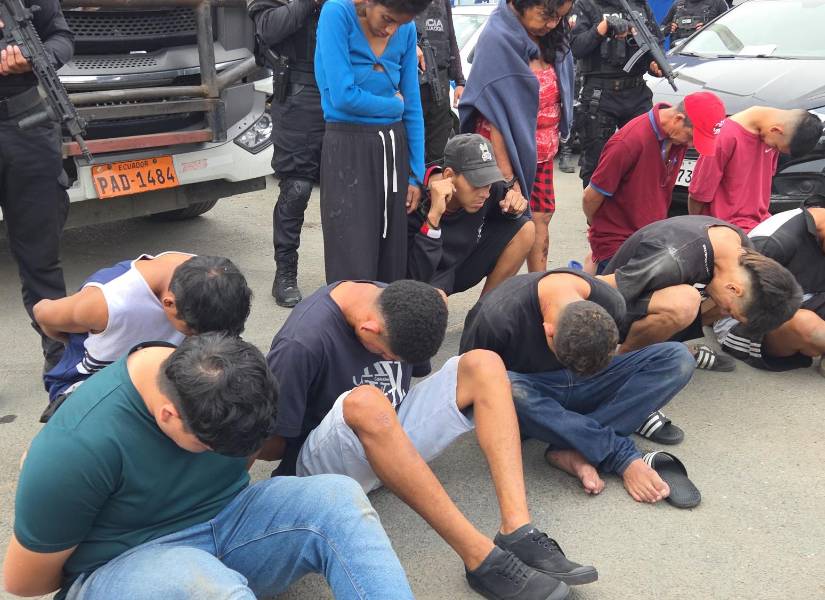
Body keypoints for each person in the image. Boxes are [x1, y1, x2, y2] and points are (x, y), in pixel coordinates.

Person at [3, 333, 415, 600]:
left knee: (339, 498)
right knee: (206, 588)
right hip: (124, 566)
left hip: (228, 525)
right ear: (167, 416)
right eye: (208, 446)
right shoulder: (77, 447)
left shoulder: (232, 384)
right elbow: (25, 582)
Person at [262, 279, 596, 600]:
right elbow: (267, 445)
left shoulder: (399, 303)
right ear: (368, 330)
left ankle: (517, 529)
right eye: (390, 356)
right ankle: (479, 558)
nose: (393, 364)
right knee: (367, 402)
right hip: (322, 465)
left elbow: (417, 372)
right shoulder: (302, 342)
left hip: (385, 433)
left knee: (484, 363)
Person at [459, 269, 696, 502]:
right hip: (534, 395)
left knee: (678, 358)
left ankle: (571, 445)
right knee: (507, 387)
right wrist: (622, 456)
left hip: (586, 385)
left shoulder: (610, 302)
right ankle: (610, 449)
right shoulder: (496, 318)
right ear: (548, 332)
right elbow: (469, 387)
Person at [33, 253, 251, 421]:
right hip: (91, 386)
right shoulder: (106, 304)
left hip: (161, 372)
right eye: (194, 333)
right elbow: (42, 313)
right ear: (169, 304)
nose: (201, 339)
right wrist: (69, 346)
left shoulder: (212, 277)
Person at [315, 0, 428, 284]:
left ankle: (385, 327)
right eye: (387, 18)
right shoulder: (337, 12)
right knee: (351, 259)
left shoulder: (407, 28)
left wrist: (416, 175)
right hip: (347, 146)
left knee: (391, 262)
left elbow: (413, 104)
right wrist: (394, 107)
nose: (391, 30)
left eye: (399, 24)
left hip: (394, 148)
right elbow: (341, 98)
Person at [460, 0, 575, 273]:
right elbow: (494, 116)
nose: (552, 24)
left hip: (541, 152)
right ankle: (495, 305)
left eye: (559, 17)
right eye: (547, 14)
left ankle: (540, 286)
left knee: (541, 218)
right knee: (514, 230)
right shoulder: (497, 39)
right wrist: (509, 178)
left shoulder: (552, 35)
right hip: (505, 155)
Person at [602, 215, 803, 363]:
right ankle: (620, 365)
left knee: (712, 305)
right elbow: (597, 289)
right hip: (612, 312)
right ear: (734, 289)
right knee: (683, 303)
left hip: (650, 299)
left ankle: (663, 346)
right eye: (733, 314)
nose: (726, 315)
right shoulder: (672, 259)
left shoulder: (740, 248)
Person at [0, 1, 74, 373]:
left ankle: (62, 371)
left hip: (26, 125)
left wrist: (34, 55)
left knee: (40, 259)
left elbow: (61, 36)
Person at [583, 92, 726, 273]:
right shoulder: (629, 142)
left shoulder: (676, 140)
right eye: (691, 137)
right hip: (618, 244)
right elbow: (591, 196)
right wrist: (598, 228)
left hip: (652, 237)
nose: (691, 145)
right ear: (678, 119)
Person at [248, 0, 327, 307]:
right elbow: (268, 29)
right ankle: (285, 274)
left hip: (342, 86)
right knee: (297, 187)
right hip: (298, 92)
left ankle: (346, 272)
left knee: (345, 189)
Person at [407, 133, 535, 296]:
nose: (485, 193)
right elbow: (415, 275)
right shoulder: (414, 198)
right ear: (449, 176)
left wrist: (514, 205)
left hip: (462, 265)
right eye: (477, 182)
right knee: (434, 299)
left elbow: (508, 202)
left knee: (525, 228)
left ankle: (484, 314)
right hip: (427, 275)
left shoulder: (489, 189)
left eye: (488, 182)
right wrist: (433, 218)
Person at [714, 195, 825, 373]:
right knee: (806, 324)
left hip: (806, 299)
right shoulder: (772, 240)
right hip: (746, 319)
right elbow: (726, 302)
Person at [570, 0, 665, 187]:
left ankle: (634, 214)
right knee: (595, 166)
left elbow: (656, 42)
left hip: (637, 93)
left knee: (644, 160)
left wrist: (654, 64)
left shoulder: (640, 5)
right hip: (600, 96)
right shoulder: (586, 5)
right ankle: (596, 216)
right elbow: (577, 47)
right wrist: (602, 28)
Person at [688, 107, 824, 232]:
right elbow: (699, 194)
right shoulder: (725, 136)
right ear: (776, 130)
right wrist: (698, 229)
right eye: (776, 146)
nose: (774, 150)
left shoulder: (770, 132)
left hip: (761, 223)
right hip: (727, 229)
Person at [415, 0, 466, 164]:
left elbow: (451, 37)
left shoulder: (442, 3)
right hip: (414, 86)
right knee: (413, 150)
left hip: (440, 86)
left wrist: (460, 81)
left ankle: (434, 186)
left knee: (439, 155)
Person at [660, 0, 728, 45]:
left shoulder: (718, 3)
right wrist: (668, 28)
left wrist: (709, 28)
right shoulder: (677, 4)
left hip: (706, 55)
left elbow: (729, 32)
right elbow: (659, 32)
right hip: (677, 54)